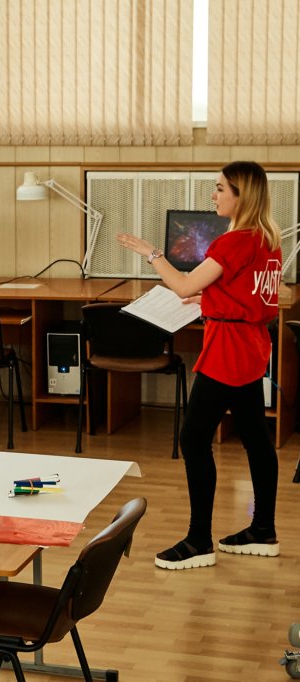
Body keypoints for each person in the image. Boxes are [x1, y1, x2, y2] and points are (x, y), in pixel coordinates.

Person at [118, 160, 282, 570]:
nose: (214, 195)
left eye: (221, 188)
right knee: (256, 439)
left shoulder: (233, 241)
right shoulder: (267, 238)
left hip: (227, 351)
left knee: (193, 440)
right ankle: (262, 530)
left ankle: (198, 541)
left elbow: (183, 283)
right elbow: (245, 293)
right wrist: (209, 300)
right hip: (251, 346)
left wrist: (151, 253)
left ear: (242, 195)